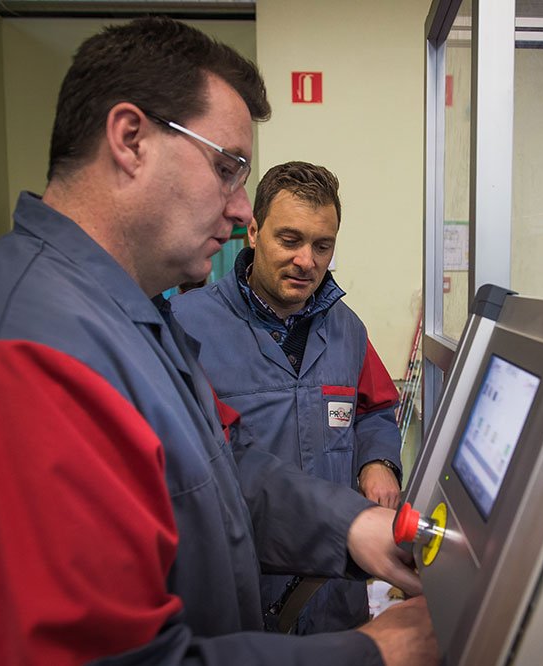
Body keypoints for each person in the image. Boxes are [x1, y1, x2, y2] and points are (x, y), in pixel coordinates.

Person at [0, 16, 436, 666]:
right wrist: (370, 656)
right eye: (226, 168)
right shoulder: (17, 360)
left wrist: (348, 524)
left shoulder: (129, 318)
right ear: (130, 140)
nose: (238, 212)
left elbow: (222, 468)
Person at [171, 162, 403, 634]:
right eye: (290, 239)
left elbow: (375, 410)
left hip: (334, 592)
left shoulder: (347, 330)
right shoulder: (183, 326)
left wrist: (377, 460)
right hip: (243, 598)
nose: (307, 261)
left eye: (323, 245)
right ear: (254, 231)